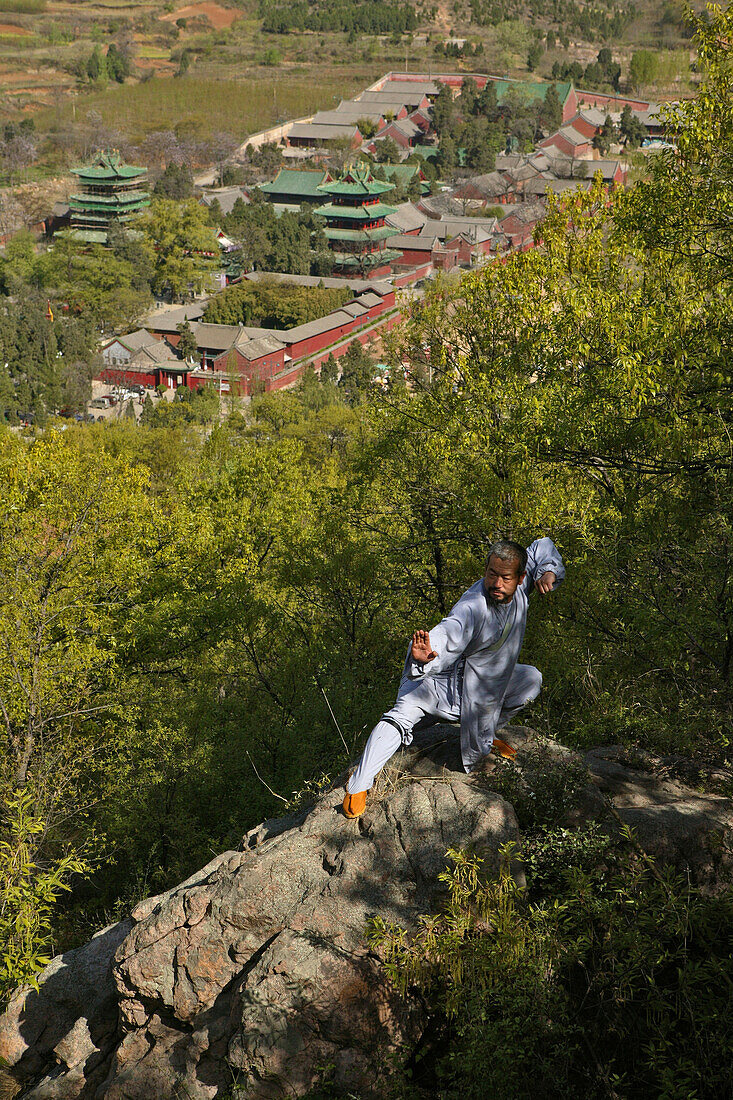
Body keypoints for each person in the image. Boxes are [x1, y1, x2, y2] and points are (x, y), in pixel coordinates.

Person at [342, 537, 565, 818]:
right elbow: (450, 631)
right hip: (435, 682)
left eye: (505, 577)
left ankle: (486, 733)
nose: (496, 583)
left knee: (530, 679)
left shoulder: (522, 586)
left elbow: (543, 547)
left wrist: (549, 571)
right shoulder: (474, 607)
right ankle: (359, 785)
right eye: (491, 574)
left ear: (521, 578)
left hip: (478, 687)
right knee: (400, 718)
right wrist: (426, 654)